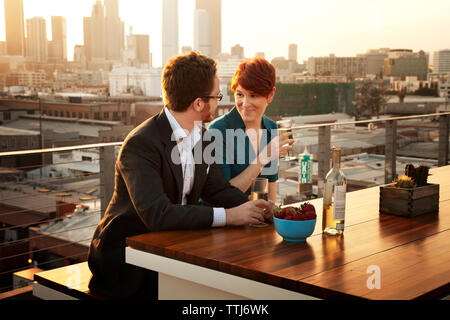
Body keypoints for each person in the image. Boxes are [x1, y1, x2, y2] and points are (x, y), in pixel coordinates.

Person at [87, 52, 274, 299]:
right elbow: (159, 215)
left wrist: (257, 209)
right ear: (198, 104)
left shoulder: (203, 137)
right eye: (217, 96)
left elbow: (217, 189)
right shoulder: (141, 144)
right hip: (127, 264)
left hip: (175, 249)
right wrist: (229, 216)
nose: (219, 102)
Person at [208, 58, 294, 203]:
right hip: (228, 222)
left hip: (258, 221)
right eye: (240, 94)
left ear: (270, 95)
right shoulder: (218, 131)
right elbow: (221, 196)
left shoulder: (271, 127)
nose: (245, 104)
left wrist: (271, 219)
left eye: (253, 95)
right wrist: (262, 159)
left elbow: (270, 184)